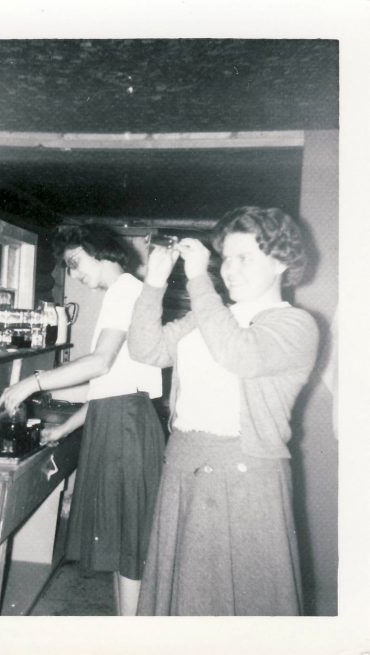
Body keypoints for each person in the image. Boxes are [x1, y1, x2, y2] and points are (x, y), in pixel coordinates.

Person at [128, 206, 319, 616]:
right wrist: (154, 284)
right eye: (225, 259)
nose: (229, 270)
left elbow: (239, 355)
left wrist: (199, 279)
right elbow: (147, 349)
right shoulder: (211, 314)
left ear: (282, 261)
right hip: (183, 465)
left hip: (244, 476)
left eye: (243, 258)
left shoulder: (296, 325)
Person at [0, 225, 165, 615]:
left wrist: (31, 383)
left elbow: (100, 365)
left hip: (126, 426)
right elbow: (114, 384)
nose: (74, 275)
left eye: (75, 263)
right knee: (124, 548)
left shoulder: (125, 291)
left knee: (129, 548)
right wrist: (66, 427)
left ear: (99, 251)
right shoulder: (124, 293)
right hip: (119, 419)